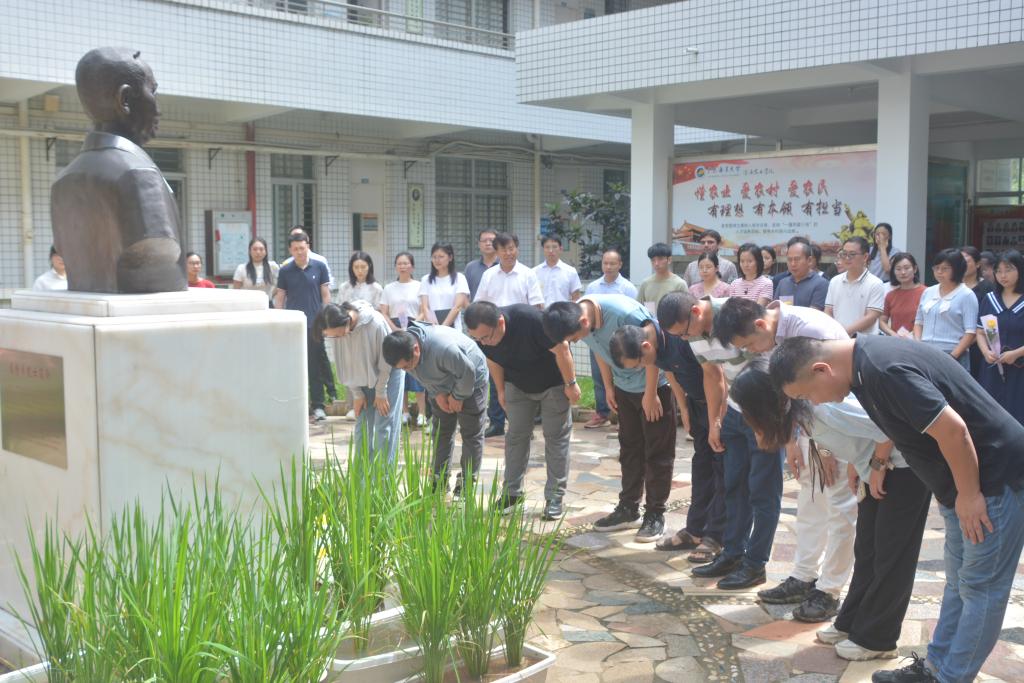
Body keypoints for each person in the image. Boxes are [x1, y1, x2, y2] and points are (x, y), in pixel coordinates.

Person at [770, 335, 1024, 683]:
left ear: (821, 369)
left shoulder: (884, 369)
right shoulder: (862, 368)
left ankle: (951, 677)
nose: (813, 402)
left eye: (807, 394)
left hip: (991, 480)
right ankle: (935, 670)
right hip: (960, 484)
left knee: (981, 587)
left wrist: (968, 495)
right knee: (959, 584)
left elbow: (954, 431)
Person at [729, 361, 931, 663]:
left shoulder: (822, 409)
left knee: (891, 556)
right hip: (875, 466)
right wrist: (859, 464)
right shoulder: (801, 413)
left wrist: (876, 464)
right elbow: (857, 436)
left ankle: (877, 639)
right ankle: (851, 623)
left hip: (905, 465)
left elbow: (888, 425)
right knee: (867, 550)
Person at [714, 297, 857, 622]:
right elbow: (785, 397)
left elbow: (830, 394)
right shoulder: (771, 336)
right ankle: (804, 577)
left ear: (760, 324)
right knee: (810, 501)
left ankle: (829, 590)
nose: (752, 352)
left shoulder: (812, 330)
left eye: (750, 344)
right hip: (808, 423)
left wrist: (823, 447)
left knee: (840, 508)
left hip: (840, 425)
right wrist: (793, 441)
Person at [658, 291, 783, 590]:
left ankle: (755, 564)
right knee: (733, 486)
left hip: (763, 412)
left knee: (762, 491)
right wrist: (715, 422)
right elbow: (712, 375)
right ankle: (732, 553)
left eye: (684, 333)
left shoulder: (737, 316)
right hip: (734, 412)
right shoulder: (693, 332)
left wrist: (764, 420)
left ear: (696, 313)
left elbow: (766, 367)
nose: (685, 339)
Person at [51, 48, 186, 294]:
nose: (159, 109)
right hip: (144, 303)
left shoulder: (62, 181)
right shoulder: (136, 175)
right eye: (153, 91)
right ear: (125, 100)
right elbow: (160, 252)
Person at [543, 295, 675, 543]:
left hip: (655, 388)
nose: (577, 341)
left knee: (657, 452)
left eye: (575, 338)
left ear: (584, 321)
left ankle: (655, 514)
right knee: (629, 449)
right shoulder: (580, 320)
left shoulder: (625, 315)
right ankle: (628, 508)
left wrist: (651, 393)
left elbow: (653, 346)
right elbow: (600, 352)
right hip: (624, 389)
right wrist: (608, 386)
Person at [609, 322, 725, 564]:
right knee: (701, 469)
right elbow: (671, 373)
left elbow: (716, 376)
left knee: (722, 471)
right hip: (697, 404)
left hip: (718, 406)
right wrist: (684, 408)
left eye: (639, 363)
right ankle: (695, 530)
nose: (642, 368)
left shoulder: (681, 339)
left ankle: (716, 536)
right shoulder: (656, 345)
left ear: (645, 346)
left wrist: (716, 419)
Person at [465, 301, 580, 520]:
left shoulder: (531, 320)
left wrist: (571, 384)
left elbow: (562, 348)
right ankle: (512, 495)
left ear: (500, 322)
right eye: (478, 339)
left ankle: (555, 498)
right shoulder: (482, 337)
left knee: (556, 438)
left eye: (486, 337)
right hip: (517, 385)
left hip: (553, 383)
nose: (484, 342)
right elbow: (493, 360)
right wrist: (500, 390)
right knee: (516, 437)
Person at [382, 322, 489, 497]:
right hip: (440, 384)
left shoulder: (443, 348)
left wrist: (458, 396)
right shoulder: (406, 354)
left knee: (471, 433)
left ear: (416, 349)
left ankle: (466, 483)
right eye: (402, 368)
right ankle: (439, 480)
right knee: (441, 432)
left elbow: (468, 371)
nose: (407, 370)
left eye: (407, 366)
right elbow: (422, 376)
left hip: (471, 380)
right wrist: (437, 393)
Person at [474, 232, 545, 438]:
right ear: (496, 252)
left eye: (512, 248)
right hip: (494, 334)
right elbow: (480, 303)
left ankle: (523, 425)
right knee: (496, 378)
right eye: (504, 249)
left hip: (521, 335)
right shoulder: (489, 275)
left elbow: (537, 306)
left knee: (521, 379)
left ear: (517, 249)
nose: (508, 253)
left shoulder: (528, 274)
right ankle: (496, 422)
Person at [314, 301, 404, 462]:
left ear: (345, 321)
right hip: (362, 377)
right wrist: (357, 394)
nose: (337, 338)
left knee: (384, 425)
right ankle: (362, 476)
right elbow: (345, 364)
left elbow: (386, 361)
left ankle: (384, 476)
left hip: (389, 372)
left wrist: (381, 392)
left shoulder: (375, 323)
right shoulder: (338, 333)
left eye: (337, 334)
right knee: (362, 426)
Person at [274, 232, 332, 422]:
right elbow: (280, 297)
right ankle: (296, 404)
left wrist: (326, 319)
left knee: (315, 366)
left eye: (302, 247)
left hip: (315, 325)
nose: (299, 251)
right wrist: (279, 320)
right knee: (294, 366)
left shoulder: (319, 266)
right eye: (295, 249)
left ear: (308, 246)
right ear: (290, 250)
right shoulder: (285, 270)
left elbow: (325, 295)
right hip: (293, 326)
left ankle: (318, 406)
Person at [582, 249, 638, 430]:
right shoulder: (593, 287)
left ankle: (624, 416)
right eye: (605, 263)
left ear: (620, 265)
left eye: (612, 263)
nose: (608, 267)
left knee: (622, 375)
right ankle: (602, 413)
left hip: (621, 341)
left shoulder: (628, 288)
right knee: (599, 376)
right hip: (598, 339)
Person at [976, 250, 1024, 426]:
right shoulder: (990, 299)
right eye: (998, 271)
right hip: (993, 367)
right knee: (991, 416)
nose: (1003, 275)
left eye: (1008, 270)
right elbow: (980, 332)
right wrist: (986, 352)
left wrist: (1016, 354)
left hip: (1020, 368)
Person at [379, 252, 428, 427]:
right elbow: (384, 312)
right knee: (400, 371)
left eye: (406, 263)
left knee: (417, 370)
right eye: (399, 263)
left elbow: (423, 309)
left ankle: (422, 413)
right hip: (395, 330)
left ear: (412, 266)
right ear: (395, 267)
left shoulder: (420, 286)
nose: (403, 266)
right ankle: (404, 412)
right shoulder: (389, 288)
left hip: (414, 328)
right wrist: (395, 329)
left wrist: (413, 325)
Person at [914, 249, 978, 371]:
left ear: (957, 269)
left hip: (953, 354)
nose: (939, 272)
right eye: (936, 268)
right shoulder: (928, 292)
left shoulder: (967, 295)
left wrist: (952, 357)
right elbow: (918, 322)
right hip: (926, 352)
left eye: (945, 268)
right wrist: (918, 344)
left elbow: (970, 332)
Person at [825, 236, 886, 336]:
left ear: (865, 257)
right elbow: (828, 311)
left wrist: (843, 333)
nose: (847, 258)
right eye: (844, 254)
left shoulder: (875, 283)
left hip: (864, 340)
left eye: (852, 254)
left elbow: (871, 317)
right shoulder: (835, 281)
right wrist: (836, 333)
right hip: (837, 338)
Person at [962, 245, 996, 379]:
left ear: (977, 264)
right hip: (954, 343)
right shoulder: (952, 286)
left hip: (980, 346)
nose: (962, 264)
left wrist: (992, 348)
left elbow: (991, 321)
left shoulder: (987, 287)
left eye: (966, 261)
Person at [419, 242, 470, 328]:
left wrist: (443, 327)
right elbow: (425, 307)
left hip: (453, 327)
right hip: (432, 328)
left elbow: (457, 306)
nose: (437, 260)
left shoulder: (460, 278)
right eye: (434, 257)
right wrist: (433, 326)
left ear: (450, 257)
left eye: (441, 257)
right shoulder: (425, 279)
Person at [880, 253, 926, 338]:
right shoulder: (891, 295)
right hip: (897, 342)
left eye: (907, 268)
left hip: (919, 341)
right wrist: (893, 334)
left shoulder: (926, 292)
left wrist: (912, 335)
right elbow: (882, 321)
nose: (903, 272)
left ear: (915, 269)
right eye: (898, 269)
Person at [775, 241, 828, 310]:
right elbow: (776, 309)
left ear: (809, 260)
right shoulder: (783, 283)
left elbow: (814, 313)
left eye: (797, 259)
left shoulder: (821, 284)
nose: (793, 264)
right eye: (789, 259)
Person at [534, 235, 583, 304]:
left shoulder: (570, 272)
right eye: (547, 247)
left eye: (554, 247)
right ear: (543, 249)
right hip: (541, 311)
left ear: (560, 249)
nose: (551, 251)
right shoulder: (534, 272)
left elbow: (576, 298)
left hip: (563, 310)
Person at [638, 242, 688, 308]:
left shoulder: (679, 284)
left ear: (669, 260)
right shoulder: (645, 284)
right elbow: (639, 308)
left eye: (660, 259)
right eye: (653, 260)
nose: (656, 263)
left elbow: (685, 309)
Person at [464, 229, 498, 301]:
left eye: (491, 240)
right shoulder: (471, 267)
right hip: (476, 307)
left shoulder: (504, 266)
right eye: (484, 241)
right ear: (479, 244)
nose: (488, 243)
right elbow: (466, 295)